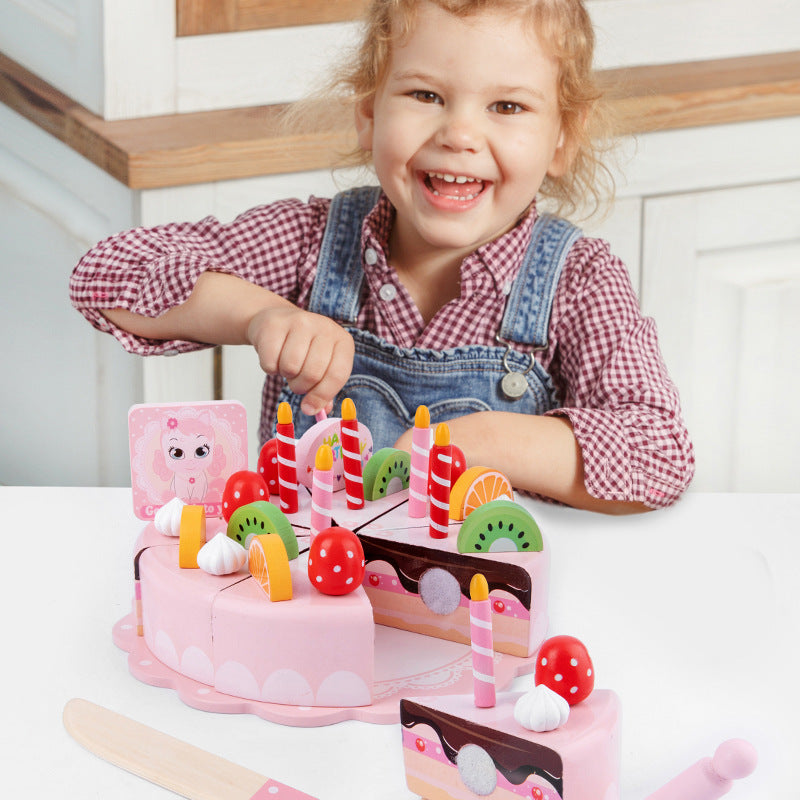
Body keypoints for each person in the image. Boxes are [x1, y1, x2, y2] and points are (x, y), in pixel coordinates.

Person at [70, 0, 694, 513]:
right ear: (369, 116)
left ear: (563, 138)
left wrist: (480, 442)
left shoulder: (578, 280)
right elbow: (106, 277)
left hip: (480, 612)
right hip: (310, 593)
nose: (460, 134)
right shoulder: (313, 242)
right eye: (425, 95)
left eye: (507, 106)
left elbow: (659, 455)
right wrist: (259, 315)